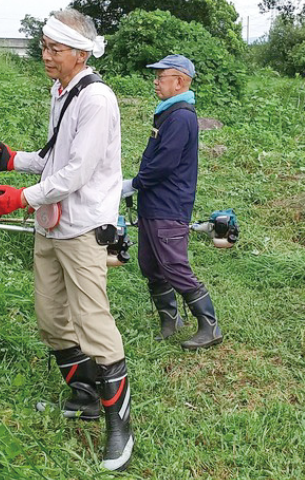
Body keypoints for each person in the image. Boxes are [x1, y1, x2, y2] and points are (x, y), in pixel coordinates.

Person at [0, 8, 133, 472]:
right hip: (51, 224)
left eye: (54, 50)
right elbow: (56, 158)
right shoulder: (63, 92)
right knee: (51, 317)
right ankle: (84, 396)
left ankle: (119, 426)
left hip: (84, 228)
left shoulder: (97, 99)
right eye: (45, 48)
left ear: (80, 53)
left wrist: (21, 198)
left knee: (93, 322)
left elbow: (78, 172)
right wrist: (17, 161)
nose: (45, 56)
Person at [121, 54, 224, 350]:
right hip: (154, 202)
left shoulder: (181, 116)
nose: (155, 82)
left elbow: (165, 163)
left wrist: (134, 184)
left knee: (173, 265)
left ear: (178, 82)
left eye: (160, 77)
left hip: (169, 204)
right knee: (150, 264)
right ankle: (170, 321)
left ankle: (210, 326)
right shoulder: (168, 112)